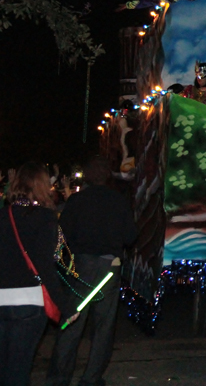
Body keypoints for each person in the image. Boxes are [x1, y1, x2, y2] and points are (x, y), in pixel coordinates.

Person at [46, 157, 138, 386]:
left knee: (73, 320)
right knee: (103, 326)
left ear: (87, 175)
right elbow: (130, 236)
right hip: (109, 266)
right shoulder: (118, 201)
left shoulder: (78, 201)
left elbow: (63, 233)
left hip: (82, 265)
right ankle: (91, 378)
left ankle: (59, 377)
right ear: (107, 175)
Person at [1, 163, 76, 386]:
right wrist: (65, 306)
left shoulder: (2, 216)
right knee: (19, 369)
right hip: (28, 302)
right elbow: (45, 267)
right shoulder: (44, 217)